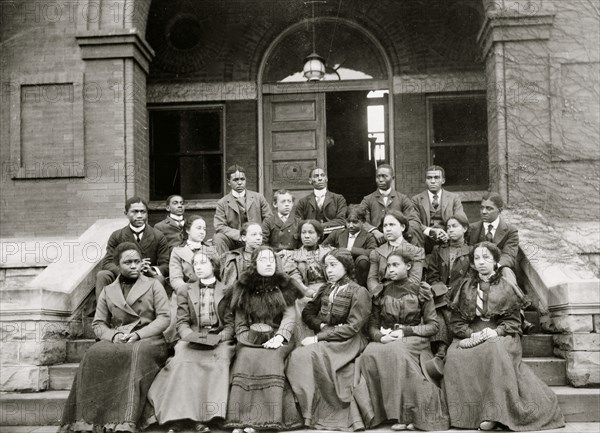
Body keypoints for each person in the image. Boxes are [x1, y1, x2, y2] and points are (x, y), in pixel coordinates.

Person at [444, 242, 564, 431]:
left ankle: (495, 414)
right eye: (477, 258)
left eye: (486, 258)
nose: (481, 262)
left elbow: (513, 323)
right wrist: (471, 334)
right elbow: (457, 322)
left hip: (502, 333)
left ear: (495, 261)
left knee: (494, 350)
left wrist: (496, 332)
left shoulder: (507, 285)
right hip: (472, 332)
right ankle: (465, 416)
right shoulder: (465, 286)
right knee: (455, 356)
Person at [60, 242, 170, 433]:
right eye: (128, 262)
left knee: (136, 353)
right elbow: (98, 323)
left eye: (137, 261)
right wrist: (114, 335)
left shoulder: (153, 285)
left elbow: (164, 318)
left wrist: (138, 334)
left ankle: (125, 421)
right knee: (94, 353)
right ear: (118, 265)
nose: (134, 265)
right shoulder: (108, 290)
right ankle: (87, 420)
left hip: (149, 338)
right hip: (119, 337)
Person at [353, 250, 449, 431]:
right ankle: (380, 414)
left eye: (395, 265)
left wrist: (406, 331)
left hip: (414, 338)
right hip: (389, 337)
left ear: (409, 266)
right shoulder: (381, 292)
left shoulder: (421, 290)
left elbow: (433, 326)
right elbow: (372, 325)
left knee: (397, 353)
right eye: (388, 266)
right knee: (370, 353)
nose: (390, 269)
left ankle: (409, 414)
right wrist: (381, 337)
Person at [145, 251, 235, 433]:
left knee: (220, 361)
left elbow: (230, 324)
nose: (199, 267)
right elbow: (182, 322)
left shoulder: (226, 289)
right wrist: (191, 336)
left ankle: (208, 417)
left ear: (214, 265)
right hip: (192, 338)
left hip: (219, 340)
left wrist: (219, 338)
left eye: (204, 263)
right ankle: (179, 418)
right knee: (182, 362)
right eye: (196, 264)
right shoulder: (185, 290)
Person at [286, 249, 371, 431]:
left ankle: (317, 412)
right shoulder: (326, 288)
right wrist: (322, 327)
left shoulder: (359, 291)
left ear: (346, 267)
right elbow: (308, 312)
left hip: (349, 341)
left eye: (333, 265)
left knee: (304, 355)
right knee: (298, 356)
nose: (328, 270)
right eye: (326, 266)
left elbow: (352, 327)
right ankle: (305, 411)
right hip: (328, 337)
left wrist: (319, 337)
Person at [226, 246, 303, 432]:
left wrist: (280, 337)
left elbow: (289, 316)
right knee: (245, 357)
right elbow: (240, 322)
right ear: (254, 264)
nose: (269, 263)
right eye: (263, 259)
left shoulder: (285, 285)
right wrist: (247, 339)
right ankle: (241, 419)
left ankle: (265, 420)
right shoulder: (243, 287)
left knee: (271, 357)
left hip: (279, 336)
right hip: (250, 339)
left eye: (271, 259)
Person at [95, 197, 169, 300]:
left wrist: (151, 269)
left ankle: (156, 313)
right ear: (126, 213)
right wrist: (125, 270)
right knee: (102, 275)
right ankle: (102, 313)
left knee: (159, 279)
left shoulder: (158, 236)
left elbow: (165, 264)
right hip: (122, 276)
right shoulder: (117, 236)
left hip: (147, 276)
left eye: (143, 212)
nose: (139, 216)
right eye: (135, 212)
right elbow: (107, 262)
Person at [282, 220, 334, 342]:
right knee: (300, 302)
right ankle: (304, 339)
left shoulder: (330, 252)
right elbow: (295, 279)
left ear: (319, 235)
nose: (306, 236)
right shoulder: (293, 256)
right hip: (305, 290)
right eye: (303, 232)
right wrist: (309, 292)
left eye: (311, 232)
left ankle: (329, 337)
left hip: (329, 287)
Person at [213, 164, 272, 255]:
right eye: (236, 180)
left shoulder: (258, 198)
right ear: (229, 182)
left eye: (242, 179)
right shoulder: (222, 203)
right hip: (235, 240)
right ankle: (225, 266)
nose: (240, 183)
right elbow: (220, 226)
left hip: (256, 238)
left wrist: (257, 234)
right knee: (218, 238)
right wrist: (239, 235)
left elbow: (269, 219)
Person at [359, 164, 422, 246]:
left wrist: (400, 232)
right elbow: (359, 219)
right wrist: (374, 231)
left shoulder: (402, 198)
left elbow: (414, 220)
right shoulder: (367, 199)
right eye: (378, 177)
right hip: (376, 240)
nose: (381, 180)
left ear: (392, 178)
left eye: (384, 176)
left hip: (399, 240)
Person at [367, 210, 425, 297]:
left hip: (406, 297)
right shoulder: (376, 252)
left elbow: (415, 281)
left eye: (392, 225)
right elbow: (372, 278)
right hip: (381, 296)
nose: (388, 229)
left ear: (402, 227)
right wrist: (378, 294)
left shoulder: (415, 251)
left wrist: (394, 294)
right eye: (385, 226)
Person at [411, 166, 467, 253]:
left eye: (436, 178)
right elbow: (414, 222)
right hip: (425, 241)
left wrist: (449, 233)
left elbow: (461, 220)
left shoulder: (453, 198)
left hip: (448, 239)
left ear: (443, 180)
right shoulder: (416, 199)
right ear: (426, 180)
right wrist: (431, 231)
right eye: (429, 178)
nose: (433, 181)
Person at [323, 204, 378, 287]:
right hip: (337, 267)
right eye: (348, 222)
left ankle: (359, 288)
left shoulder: (368, 236)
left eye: (355, 222)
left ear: (363, 222)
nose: (351, 225)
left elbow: (373, 252)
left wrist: (351, 250)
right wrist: (335, 251)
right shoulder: (337, 234)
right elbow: (323, 247)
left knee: (363, 260)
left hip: (357, 271)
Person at [468, 192, 519, 269]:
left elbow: (509, 256)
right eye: (482, 208)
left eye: (489, 208)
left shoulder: (510, 231)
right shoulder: (472, 228)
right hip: (476, 269)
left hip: (500, 269)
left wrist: (494, 266)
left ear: (500, 210)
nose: (483, 212)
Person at [169, 216, 217, 296]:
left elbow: (218, 274)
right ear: (188, 230)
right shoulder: (177, 251)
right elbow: (176, 279)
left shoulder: (211, 249)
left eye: (204, 229)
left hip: (210, 290)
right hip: (187, 292)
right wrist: (188, 290)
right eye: (198, 228)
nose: (202, 232)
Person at [294, 168, 348, 235]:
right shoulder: (303, 202)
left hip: (334, 238)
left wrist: (319, 226)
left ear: (326, 179)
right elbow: (298, 222)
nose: (320, 178)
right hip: (311, 238)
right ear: (310, 180)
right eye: (316, 176)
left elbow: (342, 220)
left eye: (322, 175)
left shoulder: (338, 199)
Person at [220, 222, 264, 289]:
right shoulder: (234, 257)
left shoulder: (268, 255)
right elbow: (230, 287)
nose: (258, 238)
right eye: (254, 234)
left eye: (260, 234)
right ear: (244, 238)